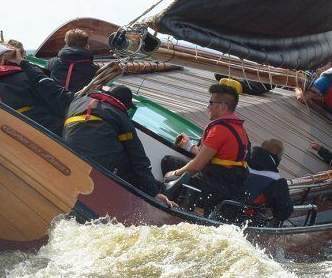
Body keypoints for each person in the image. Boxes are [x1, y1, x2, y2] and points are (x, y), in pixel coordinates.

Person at [62, 85, 174, 207]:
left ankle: (158, 186)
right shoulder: (120, 117)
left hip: (69, 158)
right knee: (133, 169)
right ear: (125, 105)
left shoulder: (77, 102)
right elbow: (138, 159)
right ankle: (160, 191)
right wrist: (154, 193)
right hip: (101, 169)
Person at [163, 79, 251, 212]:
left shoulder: (219, 130)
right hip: (231, 186)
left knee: (168, 164)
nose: (207, 107)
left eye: (210, 103)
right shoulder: (240, 129)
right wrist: (189, 146)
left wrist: (173, 174)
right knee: (173, 163)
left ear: (222, 106)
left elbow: (197, 166)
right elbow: (216, 158)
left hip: (215, 187)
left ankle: (173, 209)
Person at [0, 39, 74, 135]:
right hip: (37, 126)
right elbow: (53, 101)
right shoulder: (30, 76)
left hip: (0, 126)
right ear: (21, 56)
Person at [240, 138, 294, 226]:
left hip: (224, 208)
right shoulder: (277, 181)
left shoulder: (240, 164)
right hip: (247, 219)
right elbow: (285, 210)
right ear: (278, 158)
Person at [49, 28, 97, 93]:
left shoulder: (53, 62)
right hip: (81, 101)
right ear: (86, 45)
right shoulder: (94, 69)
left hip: (56, 100)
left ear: (66, 44)